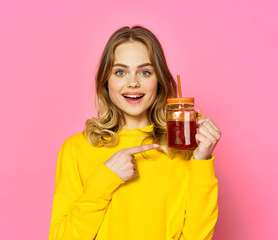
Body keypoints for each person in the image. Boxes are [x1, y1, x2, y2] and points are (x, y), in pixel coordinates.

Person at [49, 26, 221, 240]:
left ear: (158, 80)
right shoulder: (77, 148)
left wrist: (202, 160)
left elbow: (198, 236)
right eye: (120, 72)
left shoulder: (183, 143)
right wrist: (105, 178)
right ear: (106, 80)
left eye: (145, 72)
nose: (133, 83)